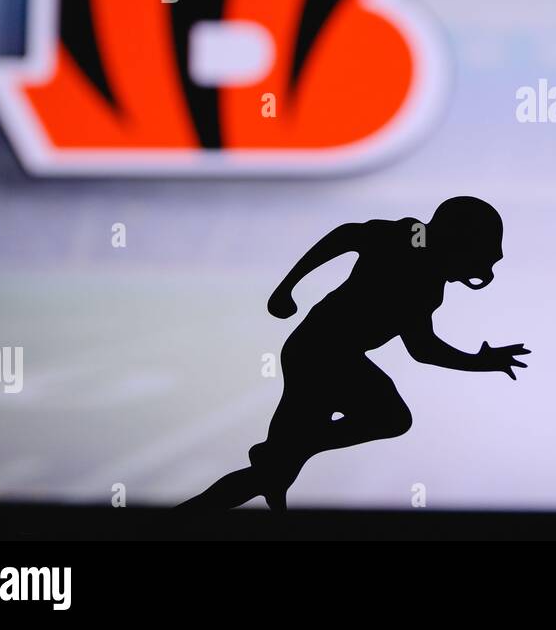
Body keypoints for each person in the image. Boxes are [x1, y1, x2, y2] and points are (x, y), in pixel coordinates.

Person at [183, 196, 529, 511]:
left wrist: (479, 362)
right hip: (322, 354)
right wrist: (286, 287)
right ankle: (290, 450)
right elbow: (348, 235)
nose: (478, 272)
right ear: (458, 242)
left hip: (324, 353)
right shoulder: (409, 242)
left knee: (273, 473)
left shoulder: (427, 278)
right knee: (390, 418)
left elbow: (422, 348)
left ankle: (277, 460)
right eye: (477, 257)